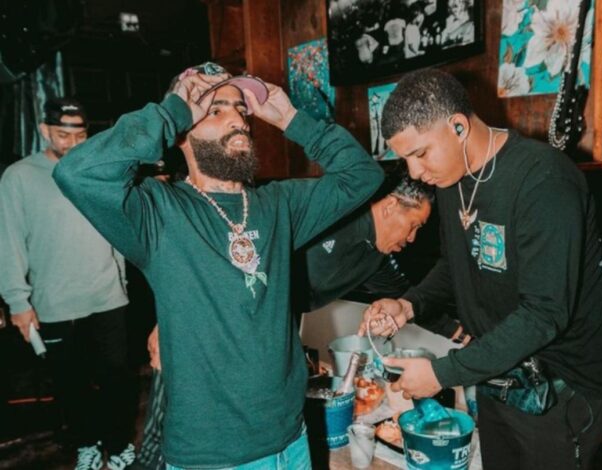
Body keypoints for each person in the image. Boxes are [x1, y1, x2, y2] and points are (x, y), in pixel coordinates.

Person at [52, 62, 383, 469]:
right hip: (213, 456)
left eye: (241, 109)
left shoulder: (279, 204)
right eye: (215, 109)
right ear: (182, 133)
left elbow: (362, 176)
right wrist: (170, 113)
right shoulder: (158, 213)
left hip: (292, 440)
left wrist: (292, 119)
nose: (238, 120)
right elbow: (77, 173)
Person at [359, 69, 602, 470]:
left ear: (458, 126)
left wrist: (442, 373)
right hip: (498, 371)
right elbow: (456, 265)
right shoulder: (451, 181)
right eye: (405, 159)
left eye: (421, 153)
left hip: (562, 387)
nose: (414, 173)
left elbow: (544, 314)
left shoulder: (543, 179)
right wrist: (408, 305)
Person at [134, 172, 466, 470]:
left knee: (259, 419)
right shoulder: (330, 214)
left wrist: (456, 332)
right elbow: (221, 252)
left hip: (277, 329)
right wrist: (171, 317)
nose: (412, 238)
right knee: (179, 402)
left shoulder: (375, 258)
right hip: (222, 315)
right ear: (391, 206)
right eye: (415, 225)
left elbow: (405, 299)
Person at [0, 98, 136, 470]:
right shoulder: (19, 177)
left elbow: (113, 228)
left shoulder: (97, 171)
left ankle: (119, 443)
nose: (73, 144)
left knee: (116, 379)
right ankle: (86, 443)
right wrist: (17, 302)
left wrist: (122, 281)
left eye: (80, 135)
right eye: (63, 135)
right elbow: (9, 242)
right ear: (44, 130)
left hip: (108, 295)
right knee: (70, 383)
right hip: (55, 302)